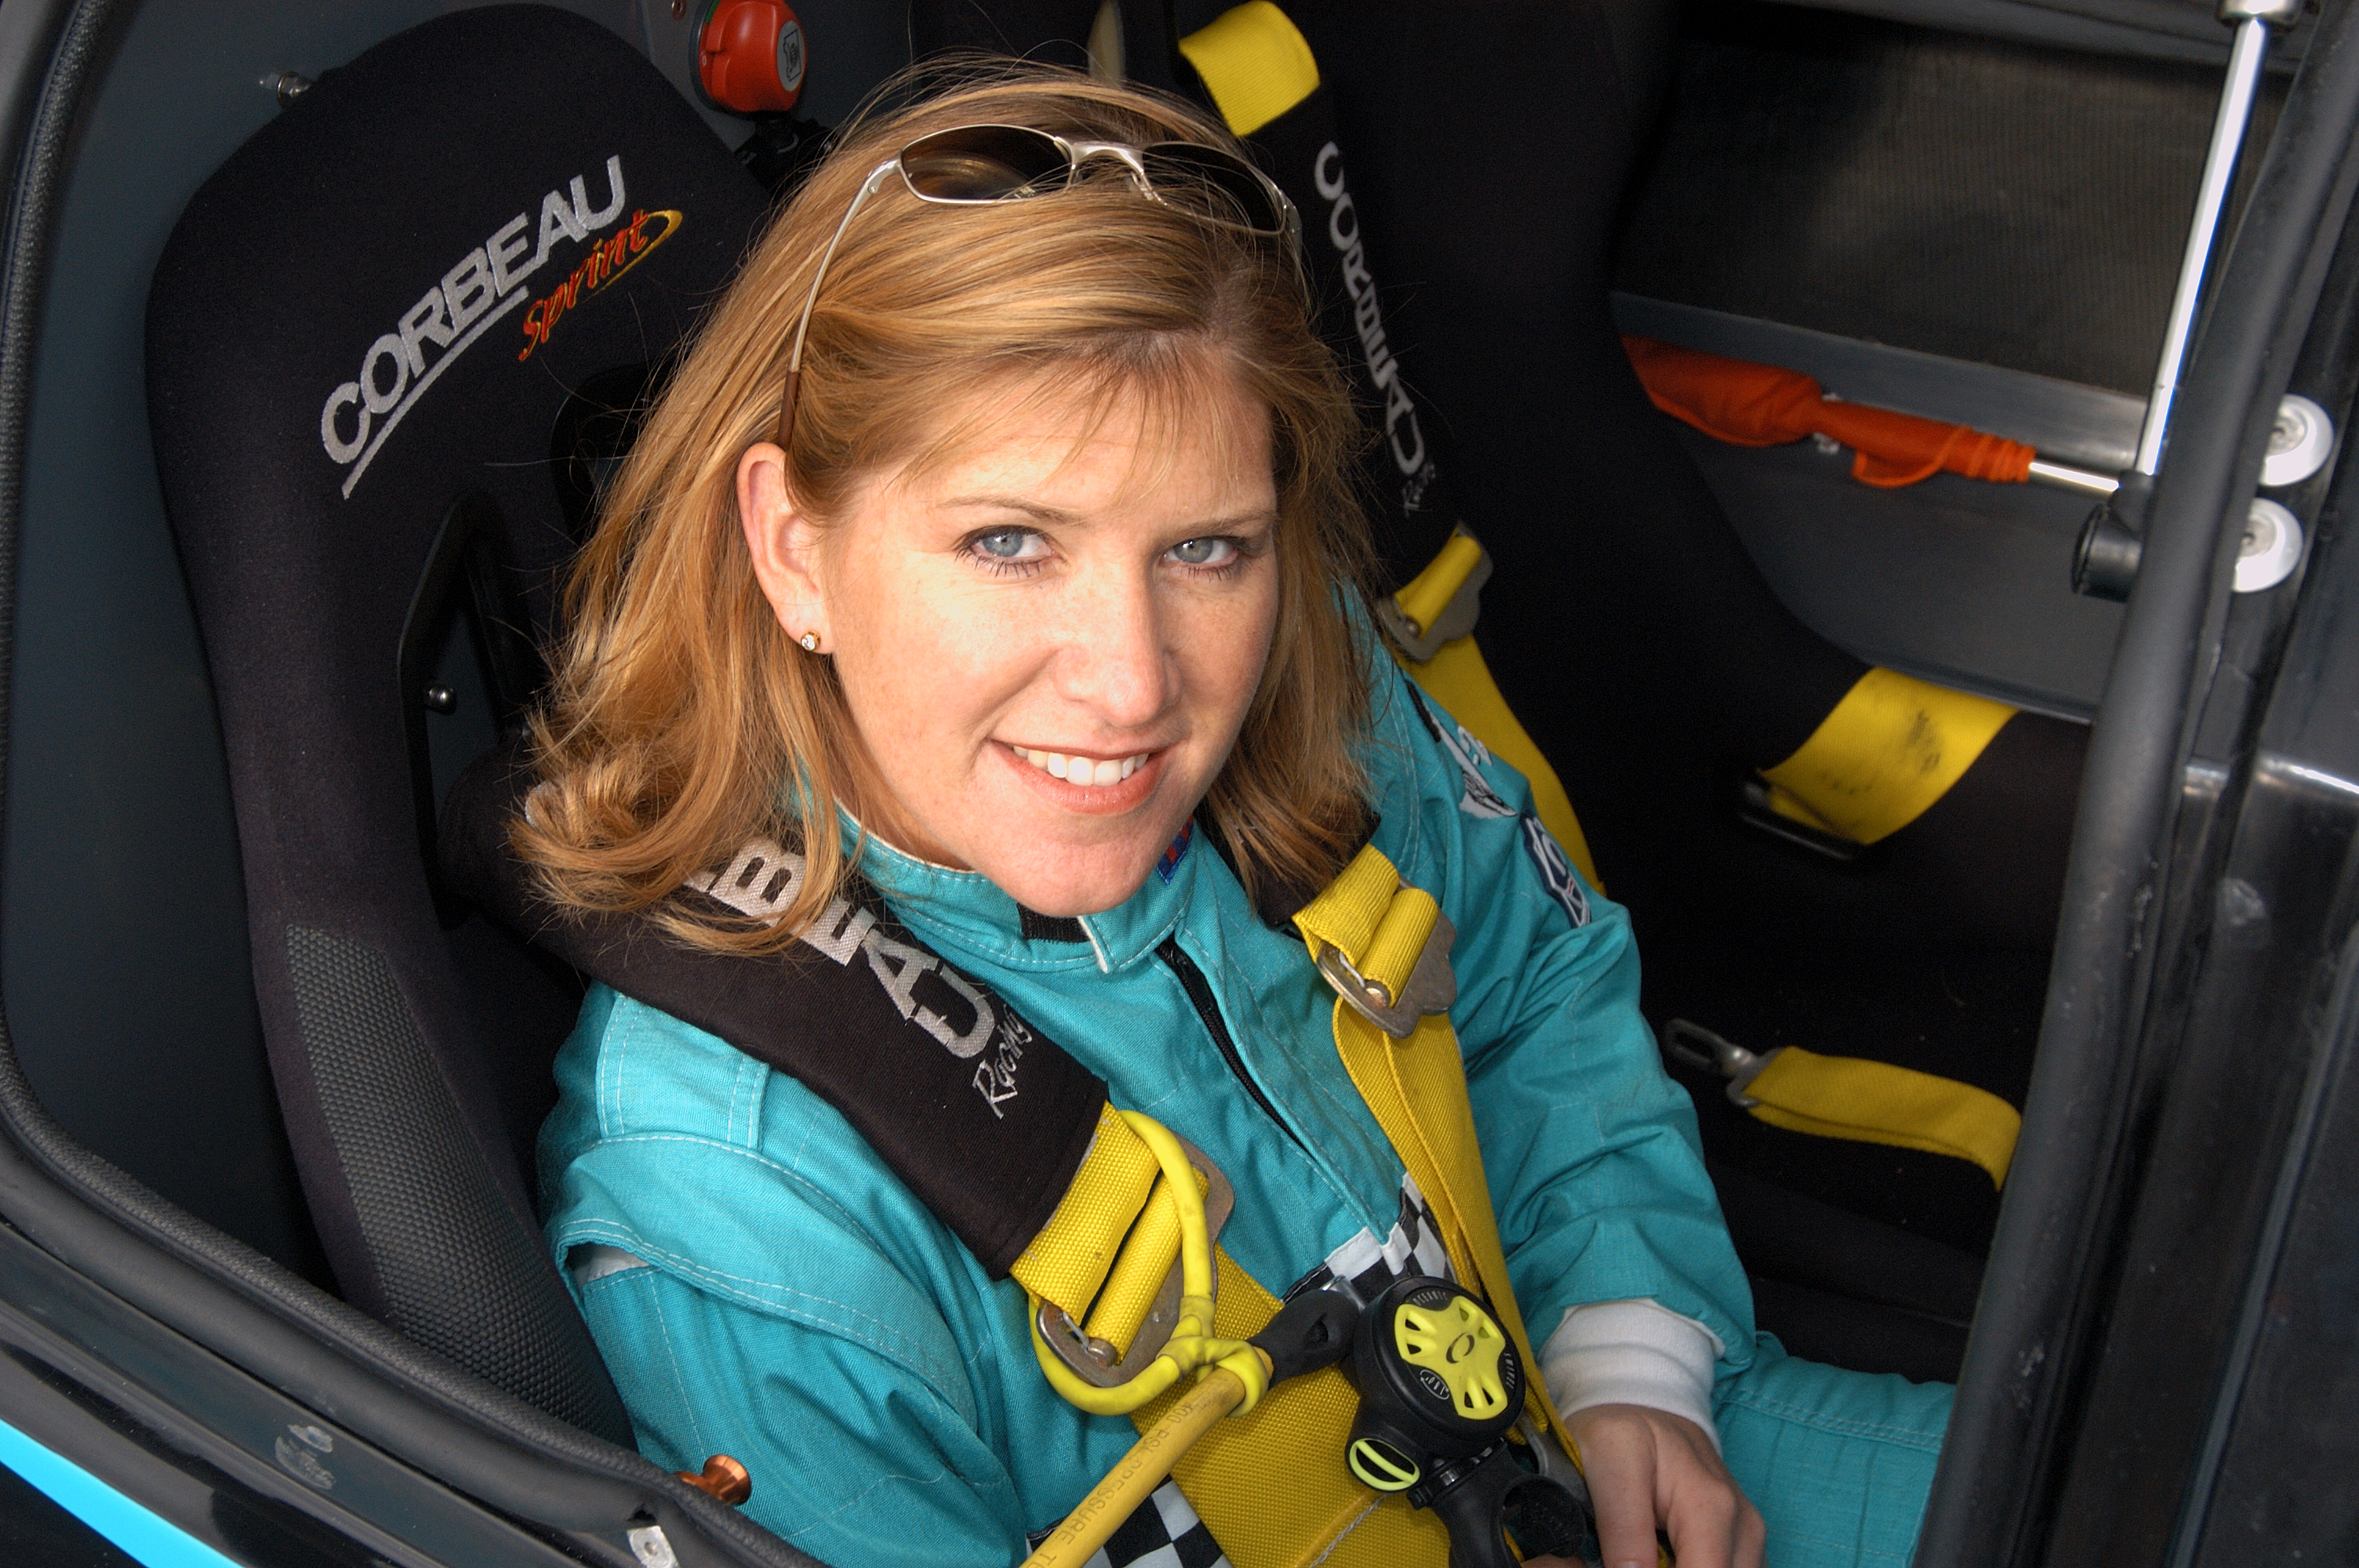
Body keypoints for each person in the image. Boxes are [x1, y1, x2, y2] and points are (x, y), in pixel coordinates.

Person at [519, 64, 1951, 1568]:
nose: (1136, 686)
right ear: (793, 548)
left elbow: (1535, 980)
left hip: (1573, 1436)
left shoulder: (1304, 695)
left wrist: (1635, 1363)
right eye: (1011, 542)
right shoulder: (747, 1216)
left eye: (1206, 547)